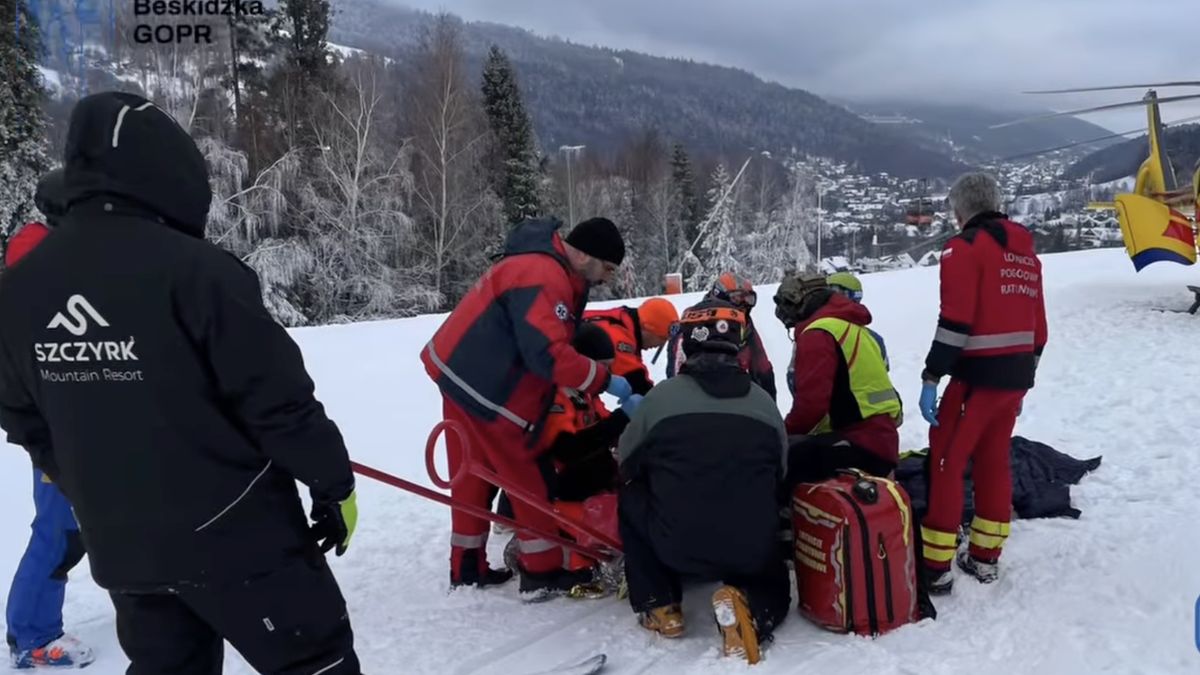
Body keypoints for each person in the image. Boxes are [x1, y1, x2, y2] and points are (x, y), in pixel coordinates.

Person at [0, 91, 361, 674]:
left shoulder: (16, 290)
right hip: (242, 540)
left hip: (127, 549)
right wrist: (332, 484)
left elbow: (22, 417)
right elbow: (279, 404)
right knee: (315, 663)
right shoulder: (199, 272)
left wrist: (91, 486)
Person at [421, 215, 633, 599]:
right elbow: (548, 355)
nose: (607, 279)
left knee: (473, 475)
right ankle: (543, 573)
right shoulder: (544, 276)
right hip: (492, 388)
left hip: (460, 375)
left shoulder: (535, 263)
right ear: (584, 254)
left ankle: (467, 566)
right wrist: (606, 381)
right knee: (530, 480)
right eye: (607, 267)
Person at [617, 297, 790, 665]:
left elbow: (627, 463)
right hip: (750, 548)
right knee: (772, 573)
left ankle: (660, 604)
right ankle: (752, 611)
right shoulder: (764, 404)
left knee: (632, 495)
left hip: (675, 546)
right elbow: (781, 473)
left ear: (688, 344)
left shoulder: (660, 399)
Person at [917, 172, 1048, 594]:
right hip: (1014, 378)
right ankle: (985, 557)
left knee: (947, 462)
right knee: (994, 462)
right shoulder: (1027, 255)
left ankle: (936, 567)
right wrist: (1024, 381)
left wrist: (931, 376)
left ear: (960, 211)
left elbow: (956, 321)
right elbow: (1039, 330)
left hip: (975, 379)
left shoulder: (962, 249)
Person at [3, 169, 94, 670]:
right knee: (60, 531)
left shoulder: (47, 253)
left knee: (80, 526)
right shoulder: (39, 259)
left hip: (73, 420)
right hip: (56, 427)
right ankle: (32, 636)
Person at [773, 272, 902, 488]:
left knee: (777, 462)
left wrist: (782, 435)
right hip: (881, 441)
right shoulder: (855, 329)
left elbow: (811, 406)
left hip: (859, 444)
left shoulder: (818, 333)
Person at [666, 272, 776, 400]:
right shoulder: (693, 322)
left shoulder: (746, 326)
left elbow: (762, 367)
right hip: (693, 396)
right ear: (720, 295)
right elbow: (676, 369)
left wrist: (769, 407)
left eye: (749, 299)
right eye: (737, 298)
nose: (744, 305)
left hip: (734, 395)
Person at [582, 297, 679, 395]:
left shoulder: (624, 320)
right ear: (646, 328)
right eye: (661, 338)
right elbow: (637, 381)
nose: (661, 344)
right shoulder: (619, 336)